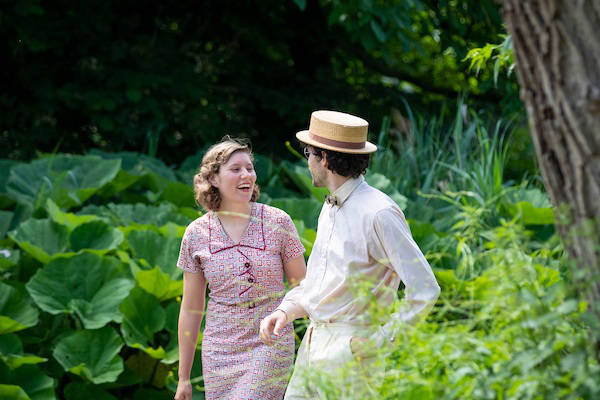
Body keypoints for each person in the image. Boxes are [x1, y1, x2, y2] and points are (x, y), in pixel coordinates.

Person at [259, 110, 441, 399]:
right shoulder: (329, 207)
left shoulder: (380, 213)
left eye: (309, 153)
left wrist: (379, 340)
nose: (307, 161)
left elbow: (425, 288)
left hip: (353, 353)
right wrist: (287, 309)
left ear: (326, 159)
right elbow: (319, 283)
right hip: (312, 345)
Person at [174, 137, 307, 400]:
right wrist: (183, 377)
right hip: (219, 352)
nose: (246, 175)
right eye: (236, 169)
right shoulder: (196, 234)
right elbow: (191, 309)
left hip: (270, 343)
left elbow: (303, 288)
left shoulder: (278, 222)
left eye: (250, 168)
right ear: (213, 178)